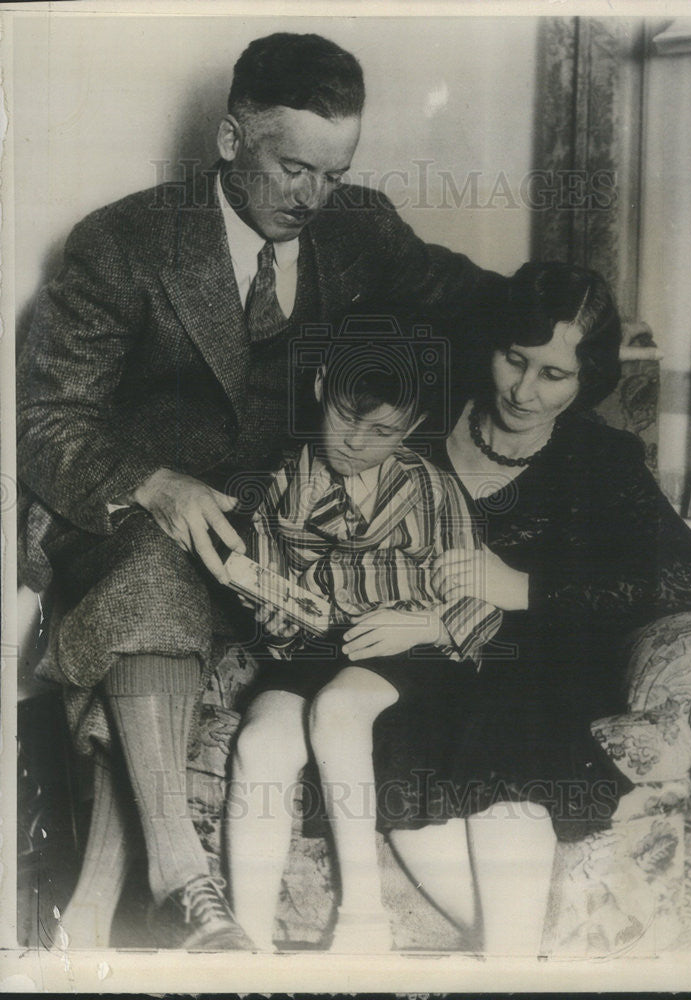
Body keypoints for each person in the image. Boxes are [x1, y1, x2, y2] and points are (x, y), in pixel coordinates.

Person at [16, 32, 505, 950]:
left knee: (175, 614)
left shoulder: (355, 227)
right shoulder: (124, 244)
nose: (311, 197)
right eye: (291, 168)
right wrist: (149, 482)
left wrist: (562, 344)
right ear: (232, 136)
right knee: (154, 574)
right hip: (134, 516)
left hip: (283, 539)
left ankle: (90, 912)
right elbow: (44, 417)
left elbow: (473, 299)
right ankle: (185, 881)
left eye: (332, 172)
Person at [366, 261, 691, 955]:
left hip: (539, 675)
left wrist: (525, 587)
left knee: (502, 755)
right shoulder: (417, 431)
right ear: (488, 344)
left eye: (554, 375)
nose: (522, 390)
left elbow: (687, 575)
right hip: (421, 668)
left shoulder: (598, 458)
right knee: (393, 751)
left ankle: (511, 963)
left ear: (587, 381)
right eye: (512, 360)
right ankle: (520, 963)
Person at [225, 335, 503, 953]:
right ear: (321, 387)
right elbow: (272, 612)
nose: (357, 442)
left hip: (409, 645)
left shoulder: (431, 489)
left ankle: (363, 919)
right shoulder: (280, 485)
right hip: (314, 648)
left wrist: (431, 625)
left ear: (414, 425)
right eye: (347, 420)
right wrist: (264, 595)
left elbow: (481, 593)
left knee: (340, 709)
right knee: (260, 740)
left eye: (382, 431)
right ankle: (246, 949)